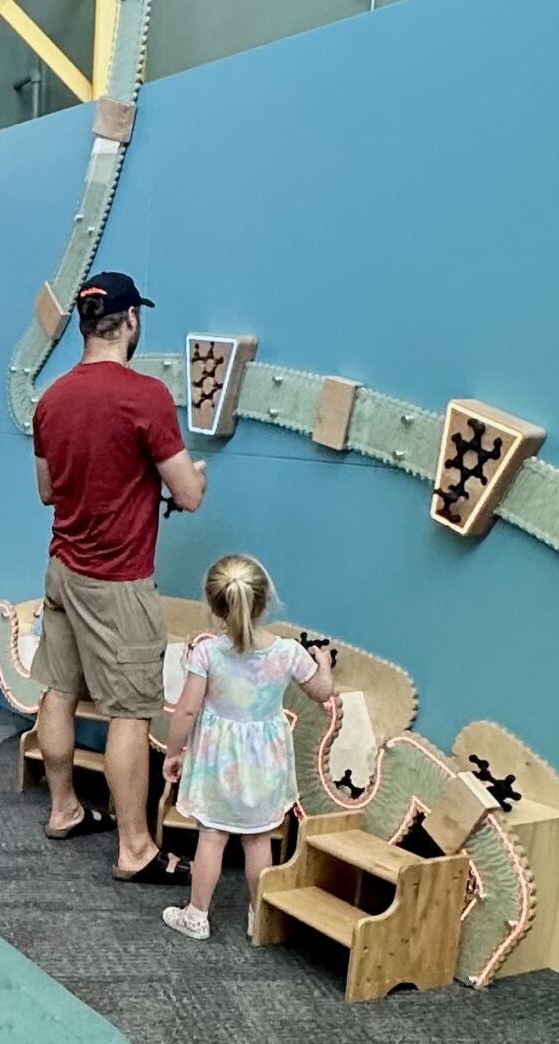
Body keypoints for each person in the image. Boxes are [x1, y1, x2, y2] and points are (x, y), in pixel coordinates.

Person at [30, 270, 207, 886]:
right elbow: (188, 495)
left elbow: (48, 491)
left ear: (84, 323)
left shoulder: (50, 398)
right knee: (130, 714)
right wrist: (189, 479)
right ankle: (136, 847)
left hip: (63, 569)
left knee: (59, 688)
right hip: (119, 581)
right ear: (131, 321)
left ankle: (63, 808)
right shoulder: (145, 396)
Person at [158, 553, 335, 941]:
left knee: (211, 836)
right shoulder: (288, 652)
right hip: (264, 764)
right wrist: (323, 664)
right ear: (266, 599)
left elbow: (186, 711)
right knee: (258, 841)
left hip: (217, 762)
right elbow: (322, 692)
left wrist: (174, 753)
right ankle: (259, 916)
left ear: (214, 606)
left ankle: (197, 914)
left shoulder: (207, 652)